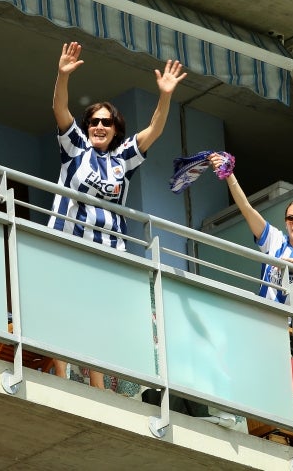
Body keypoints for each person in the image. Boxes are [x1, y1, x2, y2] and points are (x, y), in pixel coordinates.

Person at [49, 41, 186, 390]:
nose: (98, 127)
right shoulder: (76, 146)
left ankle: (97, 388)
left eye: (106, 123)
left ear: (115, 129)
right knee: (61, 310)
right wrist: (62, 76)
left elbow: (154, 130)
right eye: (94, 121)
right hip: (68, 244)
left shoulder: (122, 158)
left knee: (97, 319)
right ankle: (63, 378)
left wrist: (165, 95)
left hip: (109, 252)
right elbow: (59, 108)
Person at [208, 153, 293, 312]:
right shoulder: (275, 240)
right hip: (265, 323)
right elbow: (246, 208)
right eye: (290, 218)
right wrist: (229, 175)